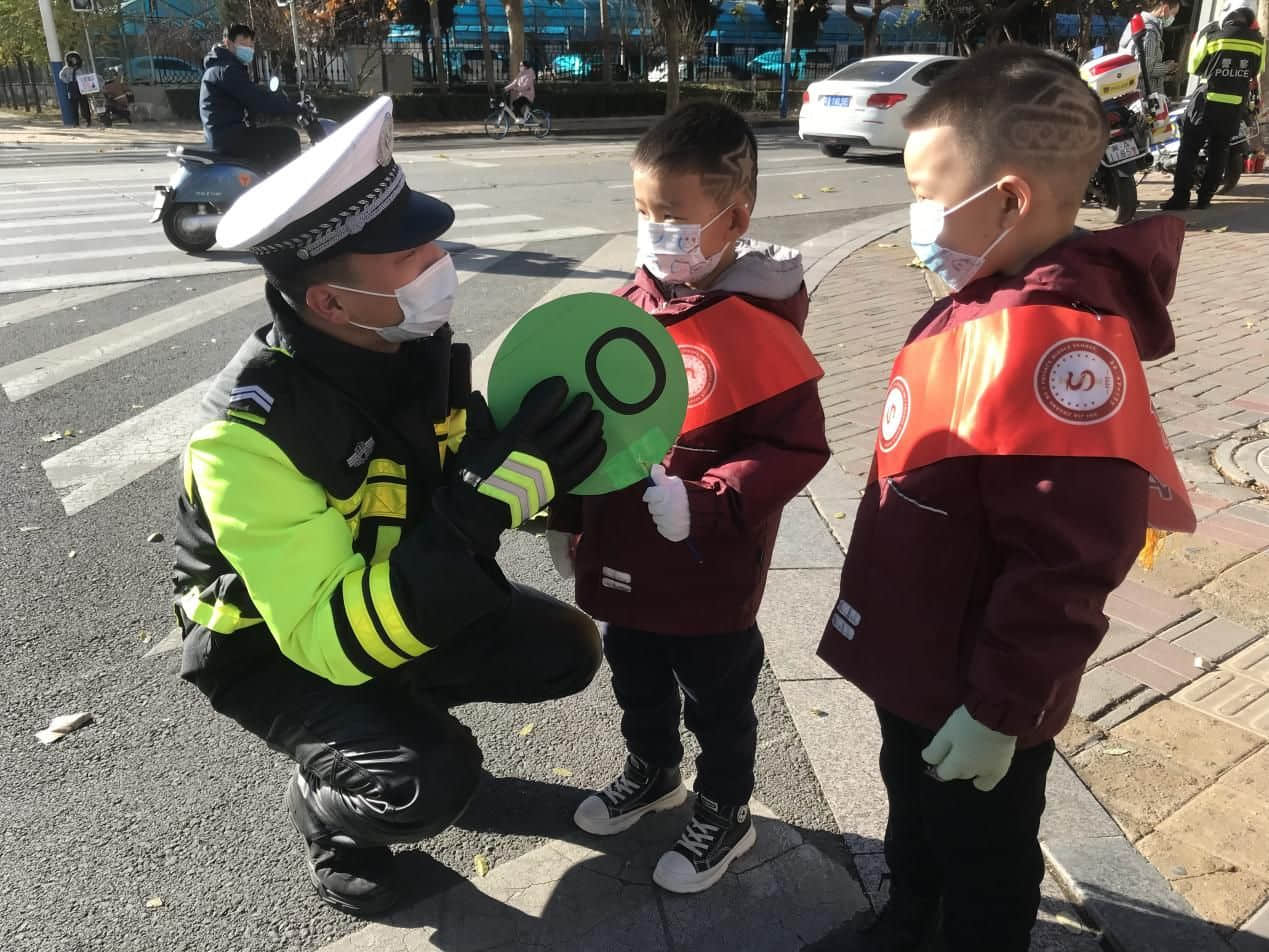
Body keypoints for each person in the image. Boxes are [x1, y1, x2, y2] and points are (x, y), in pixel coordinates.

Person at [172, 96, 608, 916]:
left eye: (429, 239)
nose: (440, 260)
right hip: (275, 651)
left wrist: (561, 482)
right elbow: (332, 639)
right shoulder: (244, 442)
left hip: (389, 589)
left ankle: (398, 717)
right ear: (331, 303)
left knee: (566, 651)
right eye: (411, 253)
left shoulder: (402, 347)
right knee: (424, 784)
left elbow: (441, 477)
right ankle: (327, 809)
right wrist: (481, 507)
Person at [814, 46, 1196, 951]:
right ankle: (909, 920)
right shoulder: (983, 292)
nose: (914, 216)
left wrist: (1001, 711)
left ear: (1012, 199)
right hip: (920, 660)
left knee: (984, 855)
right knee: (913, 814)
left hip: (977, 685)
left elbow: (1068, 558)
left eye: (924, 191)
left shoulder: (1060, 344)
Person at [550, 102, 830, 894]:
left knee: (717, 696)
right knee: (633, 674)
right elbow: (585, 427)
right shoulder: (626, 308)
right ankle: (652, 771)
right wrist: (568, 517)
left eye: (671, 217)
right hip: (620, 553)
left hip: (707, 566)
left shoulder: (762, 328)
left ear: (733, 217)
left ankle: (724, 808)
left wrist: (705, 499)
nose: (653, 233)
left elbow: (793, 447)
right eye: (643, 213)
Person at [1162, 0, 1265, 209]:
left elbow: (1194, 67)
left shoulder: (1212, 34)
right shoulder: (1259, 42)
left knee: (1189, 149)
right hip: (1235, 106)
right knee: (1219, 151)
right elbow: (1256, 70)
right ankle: (1205, 199)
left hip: (1207, 102)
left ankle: (1180, 198)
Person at [200, 23, 304, 173]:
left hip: (224, 136)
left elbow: (249, 97)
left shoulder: (222, 67)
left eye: (250, 46)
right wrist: (294, 108)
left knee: (270, 138)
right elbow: (257, 99)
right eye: (243, 44)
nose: (248, 50)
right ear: (228, 43)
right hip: (229, 139)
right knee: (289, 137)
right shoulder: (226, 70)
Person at [1119, 1, 1181, 95]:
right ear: (1165, 9)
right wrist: (1167, 67)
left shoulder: (1139, 23)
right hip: (1143, 96)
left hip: (1132, 92)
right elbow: (1143, 69)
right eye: (1174, 14)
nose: (1173, 18)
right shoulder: (1149, 32)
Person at [57, 51, 92, 128]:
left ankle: (87, 120)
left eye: (74, 58)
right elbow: (61, 76)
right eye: (71, 59)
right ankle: (76, 122)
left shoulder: (83, 67)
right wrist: (68, 81)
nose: (73, 60)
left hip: (82, 86)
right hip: (72, 86)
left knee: (84, 104)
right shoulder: (66, 68)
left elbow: (88, 75)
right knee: (73, 105)